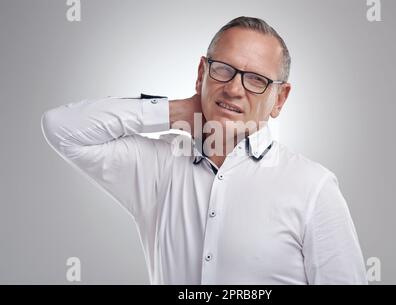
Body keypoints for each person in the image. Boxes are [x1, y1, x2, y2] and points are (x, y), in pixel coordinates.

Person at [41, 16, 368, 284]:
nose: (234, 88)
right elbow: (63, 128)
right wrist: (175, 111)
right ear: (202, 74)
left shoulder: (313, 188)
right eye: (223, 69)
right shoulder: (161, 166)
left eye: (255, 79)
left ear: (279, 99)